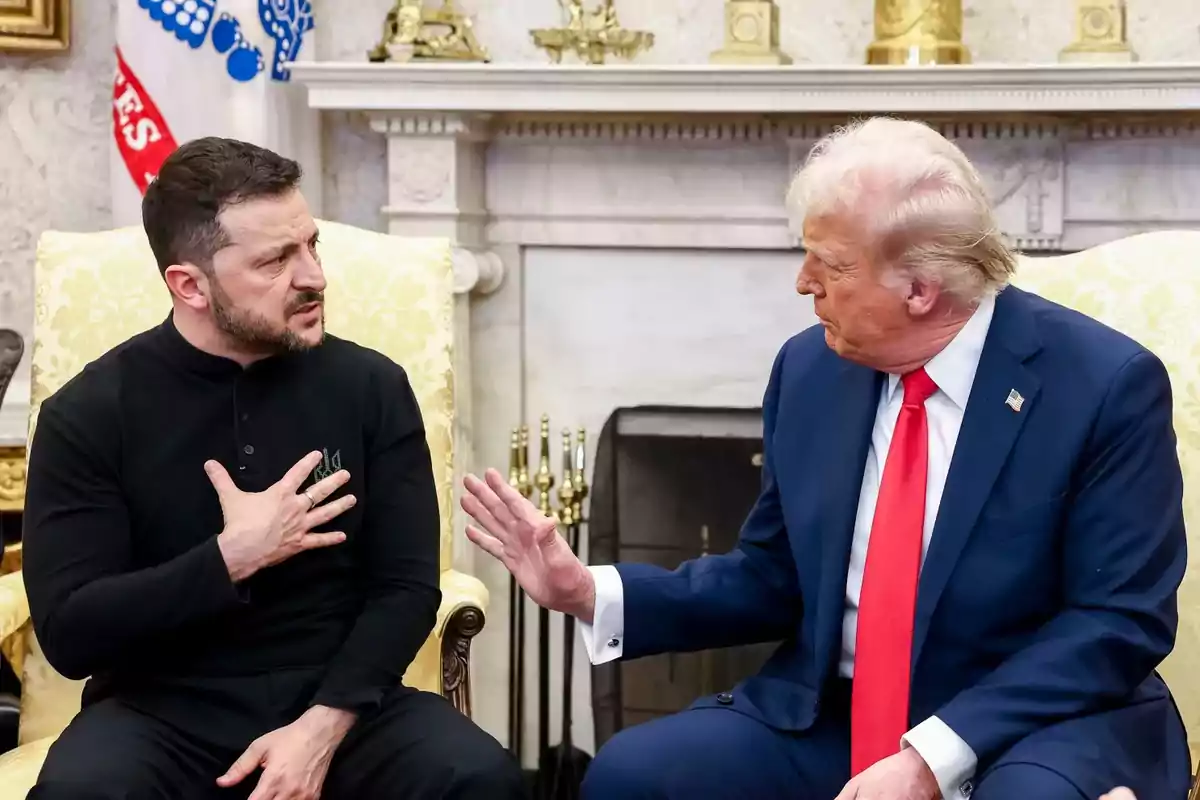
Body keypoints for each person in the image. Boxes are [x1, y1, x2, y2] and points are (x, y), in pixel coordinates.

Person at [460, 117, 1192, 800]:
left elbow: (1115, 621)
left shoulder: (1103, 385)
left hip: (1033, 725)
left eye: (831, 263)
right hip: (837, 717)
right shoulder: (813, 370)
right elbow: (771, 575)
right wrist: (590, 591)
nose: (804, 282)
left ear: (920, 288)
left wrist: (930, 758)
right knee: (637, 776)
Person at [22, 137, 527, 800]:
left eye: (312, 245)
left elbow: (404, 589)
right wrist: (231, 557)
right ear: (189, 285)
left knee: (476, 778)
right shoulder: (87, 413)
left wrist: (320, 729)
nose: (314, 276)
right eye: (276, 260)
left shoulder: (372, 388)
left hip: (342, 703)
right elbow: (72, 633)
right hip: (159, 712)